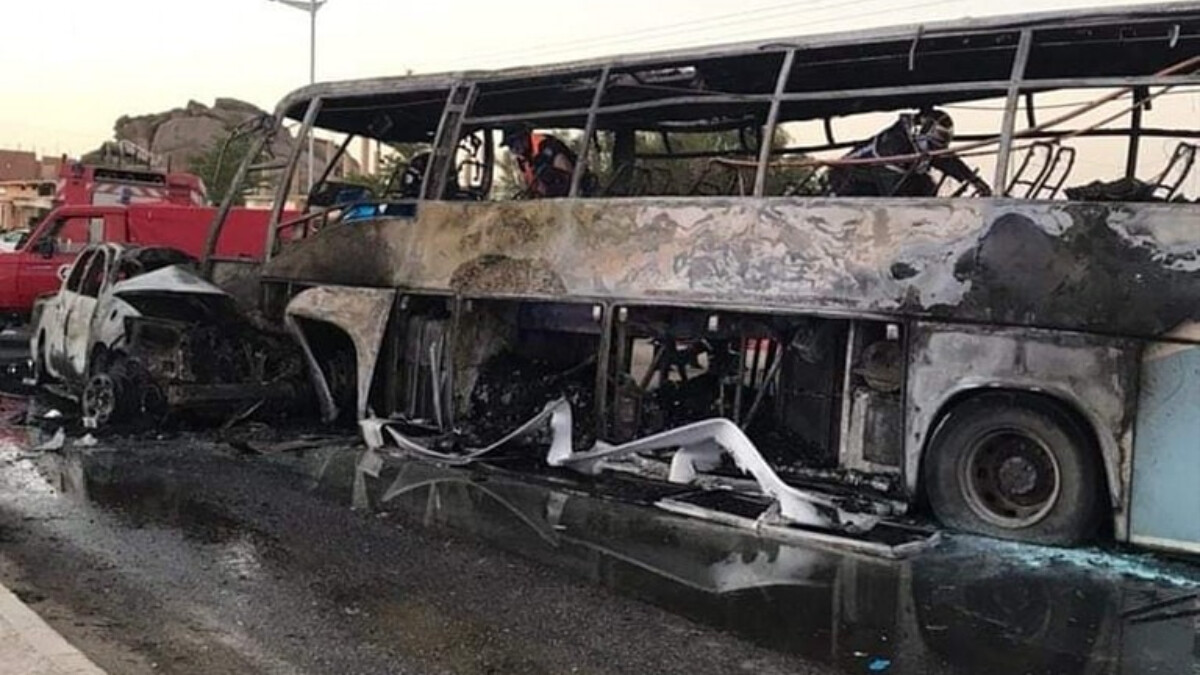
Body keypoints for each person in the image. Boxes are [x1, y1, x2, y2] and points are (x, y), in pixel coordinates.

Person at [827, 109, 992, 198]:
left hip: (887, 178)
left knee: (925, 185)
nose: (934, 149)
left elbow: (947, 160)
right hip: (850, 178)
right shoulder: (893, 145)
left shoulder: (920, 144)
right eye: (931, 144)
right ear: (919, 132)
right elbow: (894, 192)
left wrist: (974, 181)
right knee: (911, 193)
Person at [501, 125, 578, 198]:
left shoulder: (548, 145)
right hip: (544, 200)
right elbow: (528, 185)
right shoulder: (522, 160)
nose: (514, 148)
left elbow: (569, 174)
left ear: (525, 136)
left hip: (568, 196)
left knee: (545, 172)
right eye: (510, 145)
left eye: (515, 142)